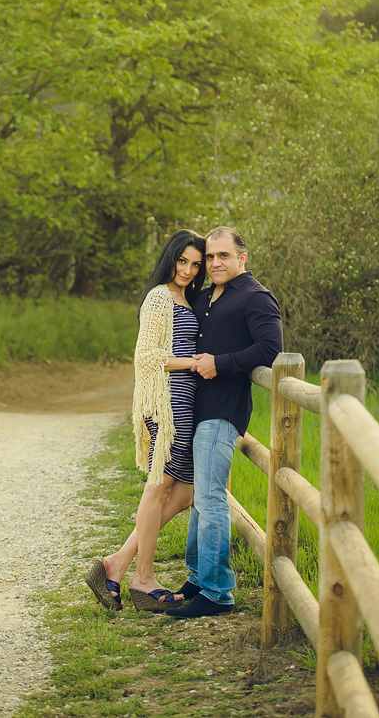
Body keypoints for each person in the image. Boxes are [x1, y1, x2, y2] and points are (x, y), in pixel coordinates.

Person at [85, 229, 206, 613]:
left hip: (187, 402)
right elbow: (147, 356)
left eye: (195, 264)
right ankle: (143, 578)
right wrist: (194, 363)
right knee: (160, 486)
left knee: (184, 493)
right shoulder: (159, 297)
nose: (187, 270)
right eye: (182, 260)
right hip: (166, 403)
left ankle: (116, 564)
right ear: (170, 257)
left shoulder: (188, 298)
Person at [166, 226, 283, 619]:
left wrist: (221, 362)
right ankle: (199, 578)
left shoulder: (255, 297)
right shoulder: (205, 298)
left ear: (242, 258)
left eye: (223, 256)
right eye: (210, 257)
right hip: (199, 407)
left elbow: (271, 348)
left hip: (224, 409)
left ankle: (218, 593)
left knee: (211, 497)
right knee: (202, 496)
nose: (215, 263)